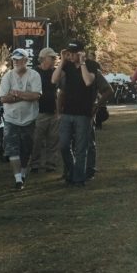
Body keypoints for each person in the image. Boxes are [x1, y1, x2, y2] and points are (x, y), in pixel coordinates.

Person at [53, 41, 98, 186]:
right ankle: (72, 171)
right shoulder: (67, 65)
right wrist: (61, 61)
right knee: (64, 145)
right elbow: (54, 79)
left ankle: (78, 179)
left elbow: (88, 82)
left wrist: (83, 63)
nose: (70, 55)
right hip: (67, 112)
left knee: (81, 148)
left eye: (73, 53)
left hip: (83, 114)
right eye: (68, 52)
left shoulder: (91, 65)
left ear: (81, 52)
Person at [0, 49, 42, 189]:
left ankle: (22, 174)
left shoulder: (34, 75)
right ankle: (18, 179)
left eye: (19, 59)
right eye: (14, 59)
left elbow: (36, 95)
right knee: (12, 148)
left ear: (26, 61)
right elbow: (3, 98)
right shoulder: (7, 77)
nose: (16, 62)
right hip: (11, 119)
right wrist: (25, 96)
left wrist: (16, 94)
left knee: (26, 149)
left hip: (29, 118)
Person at [30, 48, 61, 173]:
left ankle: (51, 164)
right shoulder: (34, 72)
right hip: (39, 112)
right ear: (43, 58)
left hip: (53, 111)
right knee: (36, 140)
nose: (54, 60)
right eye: (51, 58)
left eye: (55, 58)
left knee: (53, 140)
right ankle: (35, 164)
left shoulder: (55, 72)